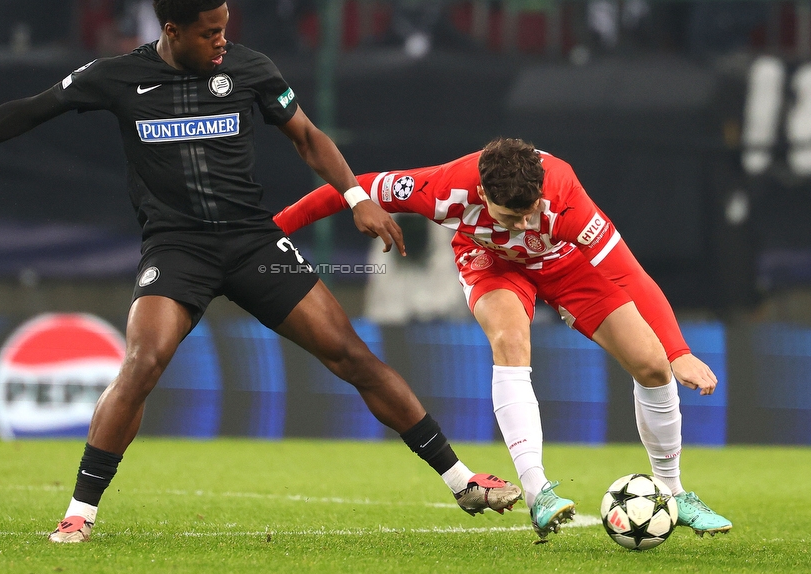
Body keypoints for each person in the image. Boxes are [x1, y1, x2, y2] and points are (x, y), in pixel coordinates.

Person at [0, 0, 521, 544]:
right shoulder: (116, 76)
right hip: (177, 249)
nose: (223, 41)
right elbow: (29, 111)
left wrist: (355, 194)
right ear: (172, 31)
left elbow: (305, 135)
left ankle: (462, 481)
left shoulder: (248, 69)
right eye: (210, 32)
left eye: (226, 28)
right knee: (143, 360)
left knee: (351, 354)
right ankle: (79, 514)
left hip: (253, 243)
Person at [274, 137, 734, 540]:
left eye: (528, 211)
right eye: (508, 215)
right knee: (512, 340)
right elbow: (352, 188)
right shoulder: (443, 187)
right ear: (483, 193)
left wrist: (679, 352)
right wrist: (272, 231)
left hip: (565, 265)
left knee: (651, 364)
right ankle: (538, 491)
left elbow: (629, 274)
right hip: (489, 261)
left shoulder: (567, 197)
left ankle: (673, 493)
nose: (520, 224)